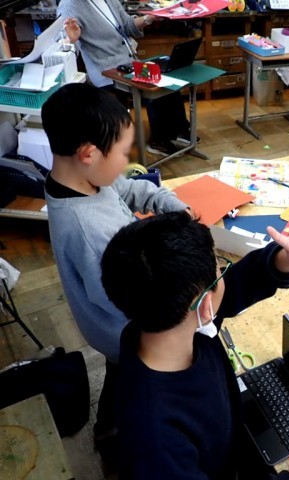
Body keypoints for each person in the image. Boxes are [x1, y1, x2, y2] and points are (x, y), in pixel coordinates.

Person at [100, 208, 289, 480]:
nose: (224, 274)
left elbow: (231, 288)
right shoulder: (155, 439)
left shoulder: (157, 319)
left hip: (230, 446)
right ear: (205, 307)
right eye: (219, 270)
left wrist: (282, 261)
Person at [41, 83, 189, 447]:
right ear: (89, 153)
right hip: (121, 330)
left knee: (118, 377)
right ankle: (115, 437)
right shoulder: (90, 232)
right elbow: (131, 303)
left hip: (114, 318)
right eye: (124, 153)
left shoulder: (82, 179)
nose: (127, 161)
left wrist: (174, 208)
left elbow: (126, 188)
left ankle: (108, 425)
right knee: (133, 381)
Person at [59, 0, 192, 155]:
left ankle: (178, 131)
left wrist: (149, 18)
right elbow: (61, 42)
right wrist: (70, 39)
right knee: (151, 89)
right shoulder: (70, 5)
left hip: (130, 64)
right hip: (106, 70)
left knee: (166, 82)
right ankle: (158, 141)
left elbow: (127, 25)